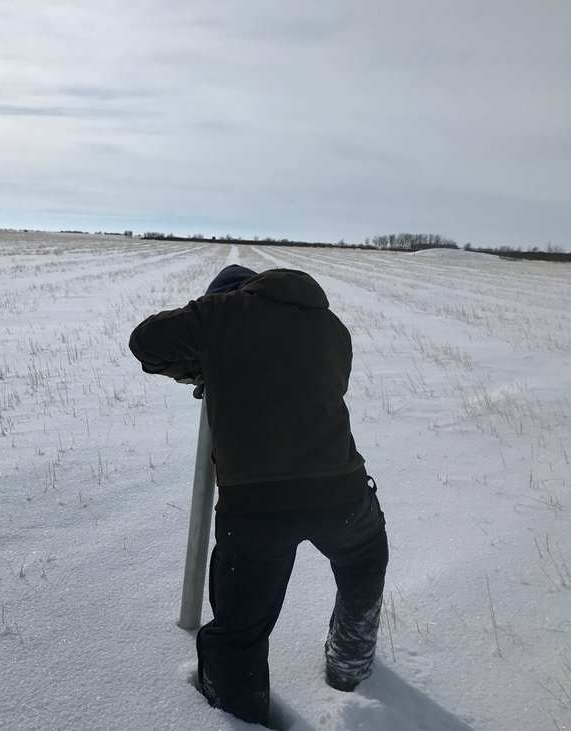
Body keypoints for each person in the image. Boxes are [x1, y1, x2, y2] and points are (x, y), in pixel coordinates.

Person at [128, 264, 389, 726]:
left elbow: (144, 342)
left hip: (257, 509)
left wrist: (205, 363)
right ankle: (349, 664)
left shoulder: (223, 313)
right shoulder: (333, 327)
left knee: (240, 630)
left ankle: (240, 716)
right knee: (363, 569)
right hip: (344, 496)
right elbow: (323, 388)